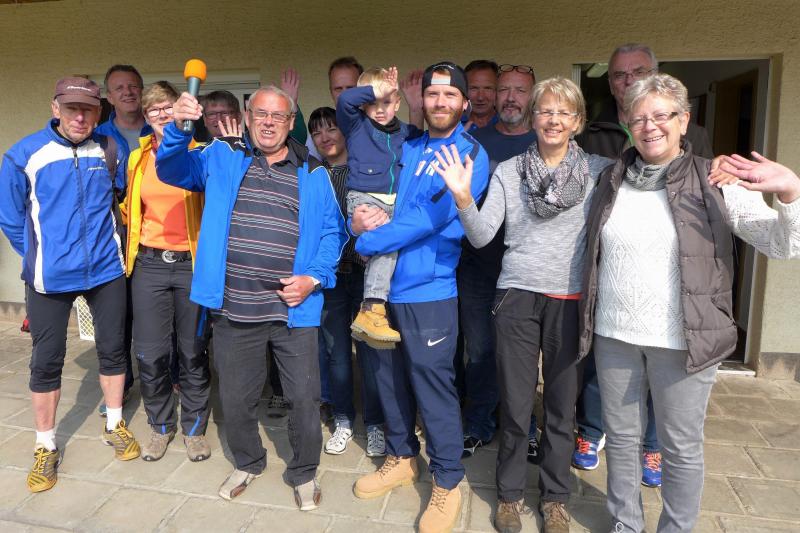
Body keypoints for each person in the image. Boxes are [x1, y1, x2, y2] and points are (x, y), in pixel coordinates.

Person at [578, 73, 800, 533]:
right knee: (621, 439)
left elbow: (783, 245)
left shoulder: (716, 181)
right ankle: (625, 523)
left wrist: (790, 192)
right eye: (639, 118)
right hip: (614, 335)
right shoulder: (610, 178)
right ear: (626, 124)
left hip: (685, 341)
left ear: (684, 120)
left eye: (662, 115)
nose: (650, 126)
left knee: (679, 447)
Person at [158, 85, 347, 510]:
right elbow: (172, 169)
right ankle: (248, 461)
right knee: (237, 397)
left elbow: (333, 233)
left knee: (303, 398)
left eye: (278, 116)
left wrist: (312, 279)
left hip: (294, 308)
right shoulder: (222, 154)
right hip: (233, 306)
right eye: (260, 113)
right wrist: (178, 127)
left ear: (290, 121)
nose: (268, 122)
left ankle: (303, 471)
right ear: (247, 117)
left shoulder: (313, 170)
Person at [438, 77, 613, 533]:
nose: (553, 120)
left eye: (563, 112)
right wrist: (462, 197)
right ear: (533, 118)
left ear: (577, 122)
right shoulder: (509, 171)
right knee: (516, 407)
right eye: (545, 111)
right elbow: (482, 236)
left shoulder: (600, 171)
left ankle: (555, 499)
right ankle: (510, 496)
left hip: (569, 301)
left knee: (561, 408)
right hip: (516, 297)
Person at [350, 61, 489, 533]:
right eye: (433, 94)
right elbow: (373, 199)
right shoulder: (406, 145)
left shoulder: (468, 153)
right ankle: (401, 457)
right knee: (387, 381)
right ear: (422, 99)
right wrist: (357, 223)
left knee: (433, 388)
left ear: (464, 103)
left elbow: (429, 219)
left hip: (429, 291)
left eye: (450, 95)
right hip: (381, 292)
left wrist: (366, 242)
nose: (440, 102)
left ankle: (447, 479)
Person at [573, 43, 711, 484]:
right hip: (613, 278)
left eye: (638, 71)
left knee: (662, 375)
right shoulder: (592, 133)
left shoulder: (693, 134)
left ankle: (653, 448)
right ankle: (590, 431)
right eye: (618, 74)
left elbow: (706, 189)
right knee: (602, 367)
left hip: (670, 283)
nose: (628, 79)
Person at [0, 77, 142, 493]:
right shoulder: (23, 155)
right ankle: (46, 445)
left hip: (106, 271)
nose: (80, 117)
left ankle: (114, 423)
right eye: (72, 108)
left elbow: (119, 199)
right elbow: (10, 217)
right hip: (50, 278)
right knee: (47, 361)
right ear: (55, 108)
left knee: (113, 350)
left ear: (99, 112)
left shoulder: (110, 148)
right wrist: (40, 255)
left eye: (88, 109)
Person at [123, 81, 211, 462]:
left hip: (191, 264)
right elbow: (130, 207)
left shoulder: (199, 153)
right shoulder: (137, 158)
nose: (161, 114)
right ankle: (160, 426)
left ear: (180, 109)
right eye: (153, 109)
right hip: (149, 265)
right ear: (145, 117)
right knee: (150, 352)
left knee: (193, 351)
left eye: (167, 106)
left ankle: (194, 428)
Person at [461, 63, 538, 460]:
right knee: (479, 352)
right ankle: (478, 424)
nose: (510, 97)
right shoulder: (473, 141)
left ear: (532, 97)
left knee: (520, 356)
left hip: (524, 270)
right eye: (504, 89)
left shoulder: (543, 142)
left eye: (519, 90)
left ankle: (526, 427)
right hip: (477, 265)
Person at [308, 106, 386, 457]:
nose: (325, 137)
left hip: (367, 276)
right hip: (331, 278)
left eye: (331, 129)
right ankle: (342, 419)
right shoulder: (315, 175)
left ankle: (375, 423)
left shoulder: (362, 171)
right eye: (317, 132)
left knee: (370, 352)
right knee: (336, 353)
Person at [338, 67, 423, 346]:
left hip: (392, 203)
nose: (379, 109)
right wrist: (377, 91)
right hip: (364, 198)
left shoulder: (402, 132)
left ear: (397, 103)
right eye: (372, 102)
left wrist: (415, 106)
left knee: (391, 244)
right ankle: (372, 308)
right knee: (387, 241)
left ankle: (373, 307)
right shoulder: (356, 126)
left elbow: (419, 142)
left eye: (386, 102)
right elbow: (345, 100)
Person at [96, 64, 154, 416]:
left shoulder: (159, 128)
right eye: (119, 88)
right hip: (115, 238)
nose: (128, 92)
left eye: (133, 86)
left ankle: (165, 379)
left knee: (156, 314)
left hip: (155, 237)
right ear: (109, 96)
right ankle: (122, 383)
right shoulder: (98, 136)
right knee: (118, 317)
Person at [463, 60, 499, 131]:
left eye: (487, 88)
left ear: (497, 90)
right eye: (474, 88)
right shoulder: (451, 124)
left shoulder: (508, 124)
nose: (480, 97)